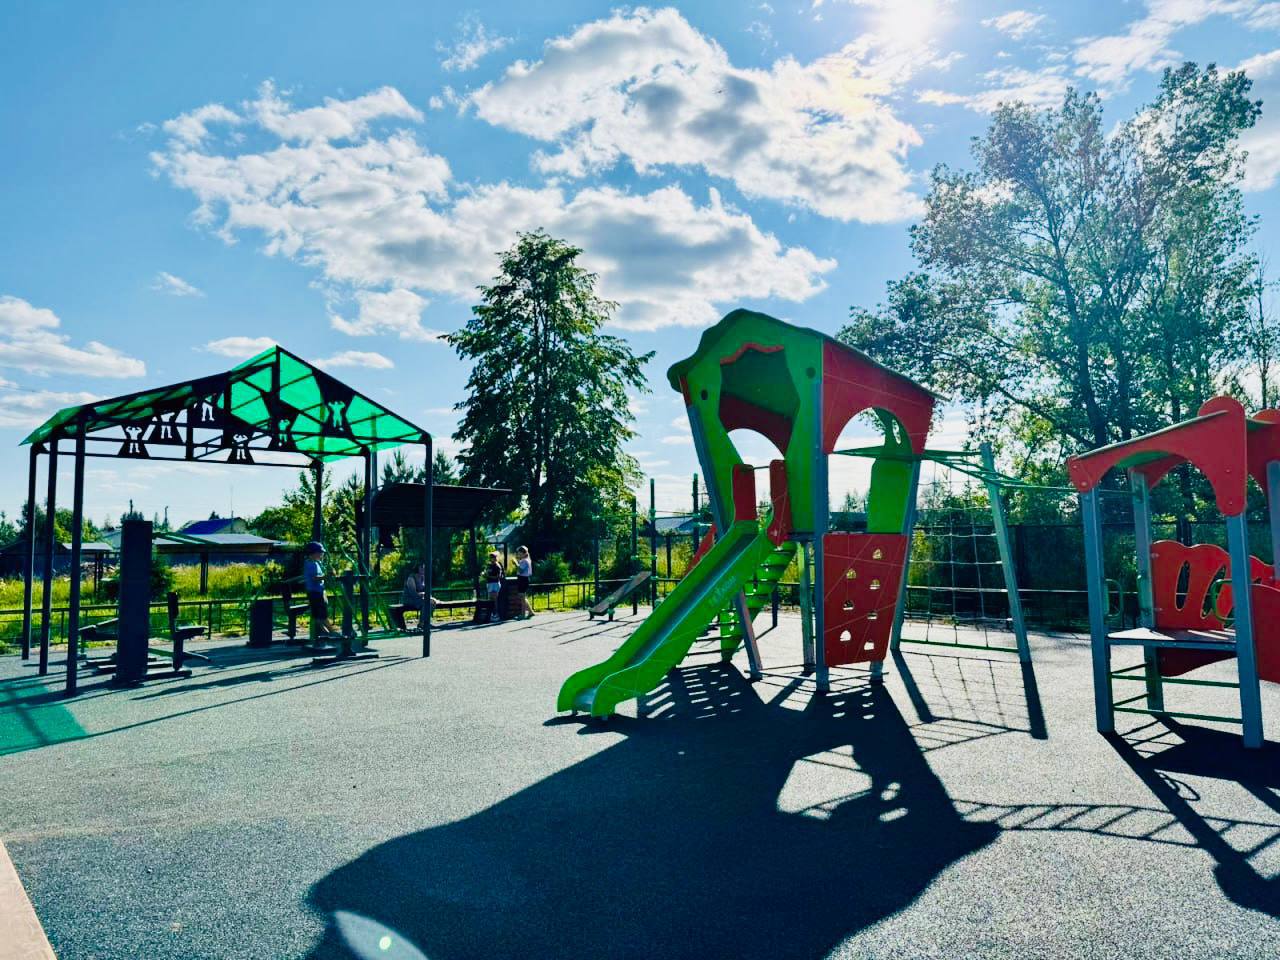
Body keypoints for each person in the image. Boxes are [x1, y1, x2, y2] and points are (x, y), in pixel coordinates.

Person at [303, 541, 340, 638]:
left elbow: (318, 576)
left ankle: (326, 632)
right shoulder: (311, 564)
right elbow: (315, 578)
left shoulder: (315, 563)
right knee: (321, 615)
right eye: (320, 553)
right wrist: (327, 576)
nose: (321, 555)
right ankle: (332, 632)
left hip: (317, 591)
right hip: (315, 592)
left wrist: (327, 576)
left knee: (318, 615)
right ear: (313, 553)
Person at [515, 545, 534, 619]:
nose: (518, 554)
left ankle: (523, 614)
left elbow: (521, 570)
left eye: (519, 553)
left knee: (522, 598)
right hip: (524, 579)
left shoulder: (524, 561)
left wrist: (516, 563)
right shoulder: (526, 560)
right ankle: (531, 612)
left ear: (523, 553)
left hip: (523, 579)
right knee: (522, 597)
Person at [484, 551, 504, 623]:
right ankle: (491, 614)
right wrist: (485, 574)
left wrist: (488, 576)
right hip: (489, 583)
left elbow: (498, 577)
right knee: (490, 600)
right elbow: (487, 572)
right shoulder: (489, 565)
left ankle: (496, 614)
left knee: (494, 600)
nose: (492, 559)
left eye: (493, 557)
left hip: (495, 584)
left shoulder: (497, 566)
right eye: (491, 557)